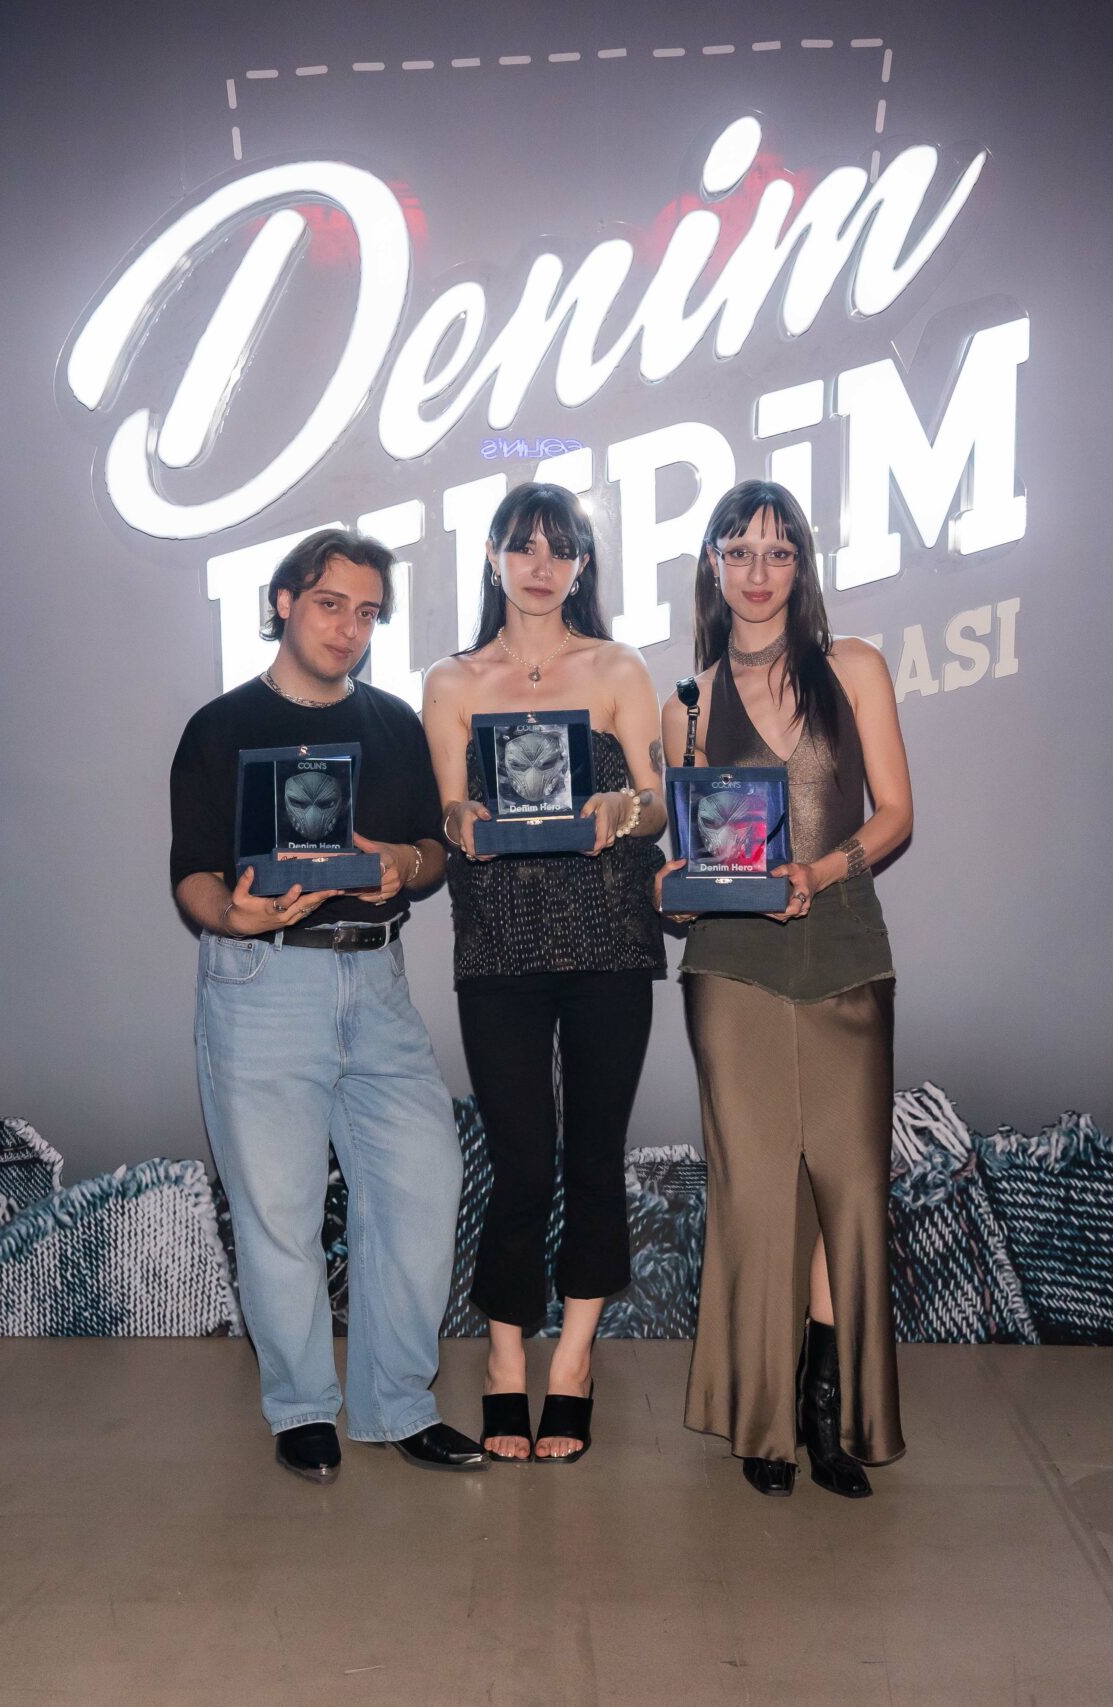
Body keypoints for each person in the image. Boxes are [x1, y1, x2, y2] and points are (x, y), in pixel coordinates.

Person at [168, 528, 486, 1482]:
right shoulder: (218, 726)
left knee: (424, 1179)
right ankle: (303, 1405)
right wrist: (233, 912)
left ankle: (398, 1403)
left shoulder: (393, 724)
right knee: (278, 1207)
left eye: (367, 612)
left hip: (376, 979)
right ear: (283, 601)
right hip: (262, 979)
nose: (349, 628)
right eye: (330, 604)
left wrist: (402, 864)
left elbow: (431, 853)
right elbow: (192, 874)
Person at [657, 479, 913, 1499]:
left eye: (777, 552)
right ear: (713, 566)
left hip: (846, 952)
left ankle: (827, 1413)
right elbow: (692, 869)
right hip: (732, 970)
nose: (757, 572)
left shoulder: (855, 668)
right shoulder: (687, 705)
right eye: (739, 551)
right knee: (758, 1194)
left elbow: (894, 814)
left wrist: (820, 870)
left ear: (802, 566)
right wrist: (672, 892)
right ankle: (763, 1423)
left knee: (849, 1192)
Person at [420, 484, 667, 1464]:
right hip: (498, 943)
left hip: (609, 938)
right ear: (491, 556)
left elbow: (657, 802)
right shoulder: (451, 680)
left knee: (593, 1155)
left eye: (558, 549)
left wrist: (621, 809)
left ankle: (573, 1360)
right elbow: (448, 811)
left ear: (581, 565)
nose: (539, 565)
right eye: (521, 546)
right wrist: (459, 820)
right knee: (521, 1161)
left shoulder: (617, 667)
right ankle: (502, 1357)